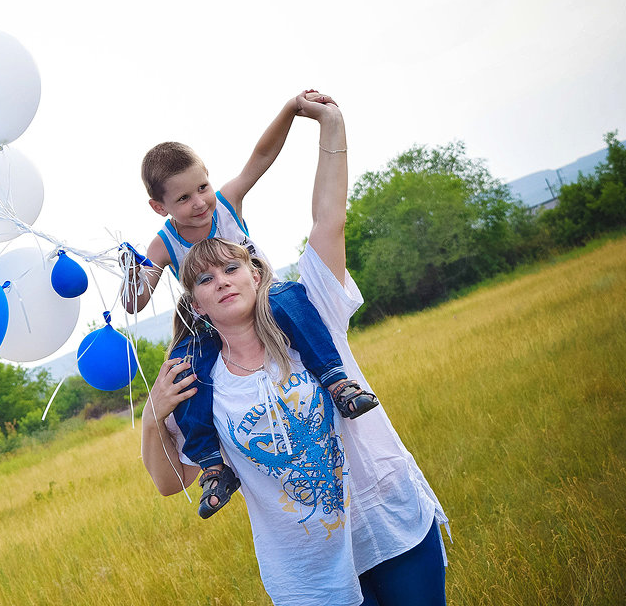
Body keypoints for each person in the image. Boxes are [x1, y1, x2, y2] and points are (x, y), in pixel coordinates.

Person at [140, 99, 448, 606]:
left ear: (256, 272)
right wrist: (153, 416)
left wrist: (329, 123)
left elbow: (329, 216)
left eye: (232, 269)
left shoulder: (309, 310)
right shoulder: (200, 377)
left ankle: (341, 385)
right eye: (204, 277)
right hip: (310, 574)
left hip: (387, 523)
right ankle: (222, 471)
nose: (220, 281)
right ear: (191, 299)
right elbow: (171, 484)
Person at [122, 91, 377, 518]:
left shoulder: (226, 203)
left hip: (266, 300)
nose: (199, 202)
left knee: (289, 296)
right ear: (158, 206)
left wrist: (292, 109)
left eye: (201, 187)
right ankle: (212, 465)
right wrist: (132, 274)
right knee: (185, 370)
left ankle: (338, 383)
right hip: (210, 325)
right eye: (183, 199)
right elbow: (137, 300)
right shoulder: (162, 244)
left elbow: (261, 155)